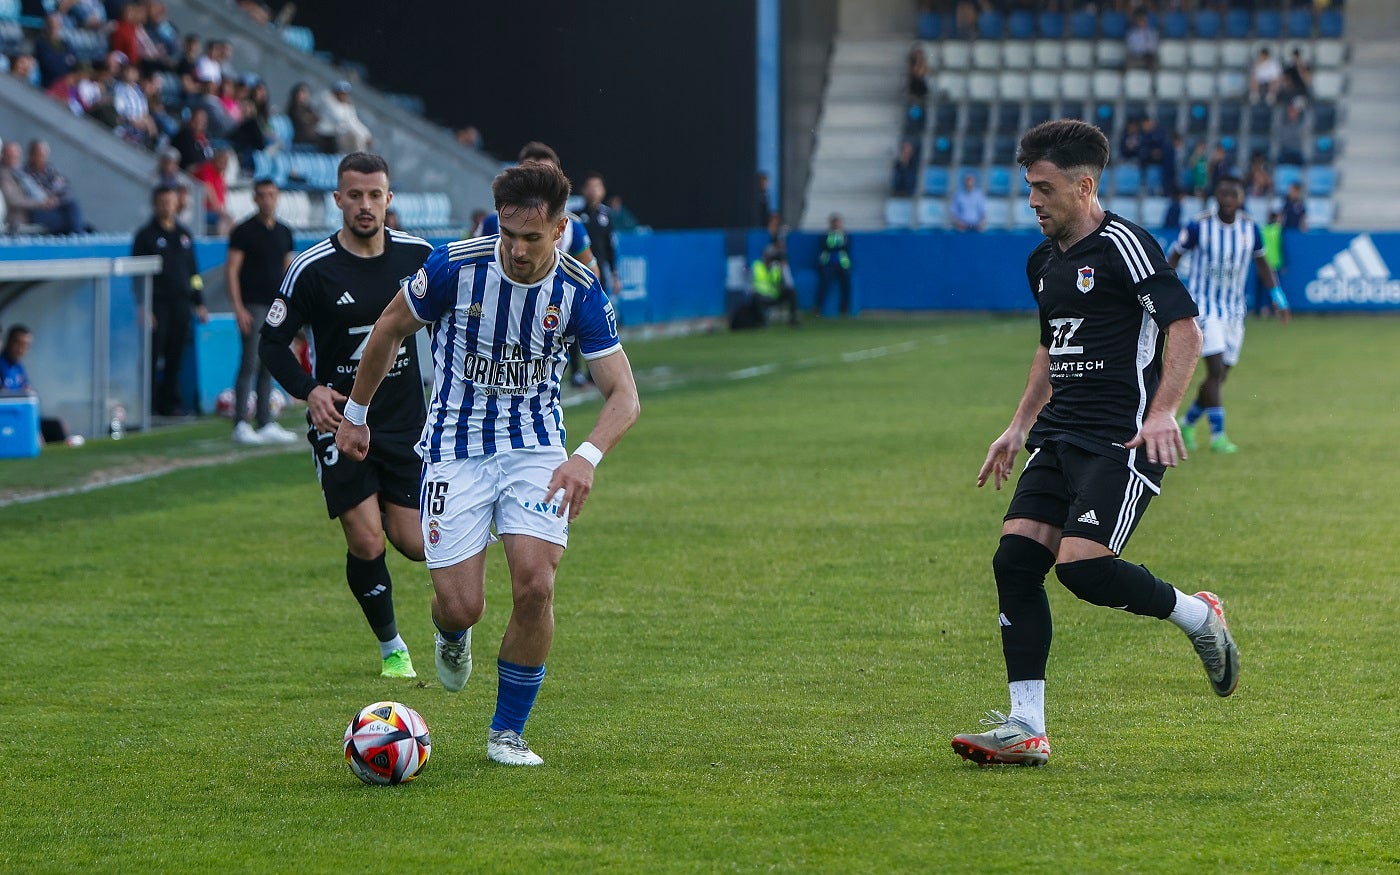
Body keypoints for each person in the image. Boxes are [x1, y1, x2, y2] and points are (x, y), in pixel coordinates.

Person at [334, 160, 640, 767]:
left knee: (535, 584)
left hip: (535, 450)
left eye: (532, 237)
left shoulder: (579, 291)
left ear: (559, 229)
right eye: (508, 234)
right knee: (462, 604)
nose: (517, 249)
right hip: (455, 447)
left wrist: (586, 456)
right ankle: (452, 633)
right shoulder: (456, 266)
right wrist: (357, 413)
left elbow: (624, 395)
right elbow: (390, 328)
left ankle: (507, 733)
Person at [954, 119, 1237, 768]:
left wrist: (1165, 410)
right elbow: (1051, 349)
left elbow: (1185, 329)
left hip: (1123, 436)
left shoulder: (1126, 244)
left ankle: (1199, 615)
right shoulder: (1043, 261)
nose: (1032, 201)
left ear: (1083, 186)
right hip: (1057, 436)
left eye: (1043, 188)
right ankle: (1027, 726)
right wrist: (1019, 424)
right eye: (1028, 188)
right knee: (1016, 561)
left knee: (1081, 566)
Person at [258, 152, 434, 680]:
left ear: (389, 199)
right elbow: (272, 342)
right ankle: (392, 649)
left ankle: (382, 502)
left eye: (374, 195)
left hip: (405, 423)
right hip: (339, 423)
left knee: (416, 545)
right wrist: (309, 390)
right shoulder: (311, 269)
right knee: (366, 540)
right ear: (337, 199)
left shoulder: (419, 257)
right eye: (354, 195)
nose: (364, 205)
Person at [1169, 176, 1288, 455]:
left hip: (1234, 310)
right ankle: (1218, 435)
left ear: (1241, 198)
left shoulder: (1250, 228)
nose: (1227, 199)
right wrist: (1167, 293)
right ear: (1216, 196)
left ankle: (1186, 423)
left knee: (1220, 377)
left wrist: (1278, 297)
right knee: (1216, 370)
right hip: (1204, 307)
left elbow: (1262, 264)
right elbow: (1173, 257)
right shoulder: (1199, 225)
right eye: (1223, 193)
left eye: (1233, 194)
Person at [473, 143, 599, 387]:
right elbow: (469, 267)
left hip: (546, 323)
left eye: (547, 175)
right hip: (494, 321)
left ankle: (575, 372)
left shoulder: (572, 226)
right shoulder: (492, 223)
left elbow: (591, 276)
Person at [227, 178, 296, 446]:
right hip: (253, 305)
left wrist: (291, 306)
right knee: (249, 362)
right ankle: (241, 422)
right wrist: (238, 307)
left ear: (277, 197)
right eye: (262, 195)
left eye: (271, 194)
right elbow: (232, 269)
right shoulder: (244, 231)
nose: (267, 200)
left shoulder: (283, 231)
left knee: (269, 363)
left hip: (276, 307)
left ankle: (265, 420)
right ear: (255, 199)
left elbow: (288, 270)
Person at [132, 185, 207, 416]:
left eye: (171, 202)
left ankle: (170, 402)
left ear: (177, 204)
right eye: (162, 202)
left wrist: (199, 301)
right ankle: (148, 402)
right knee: (154, 354)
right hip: (158, 304)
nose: (167, 207)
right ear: (155, 204)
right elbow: (137, 275)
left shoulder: (184, 235)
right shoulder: (146, 236)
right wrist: (143, 305)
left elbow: (194, 273)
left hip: (182, 303)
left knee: (176, 353)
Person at [0, 325, 70, 444]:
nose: (22, 349)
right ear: (9, 342)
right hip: (8, 420)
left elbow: (27, 395)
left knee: (56, 427)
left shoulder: (18, 368)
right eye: (19, 344)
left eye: (26, 346)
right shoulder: (2, 365)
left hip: (21, 418)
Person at [0, 141, 82, 235]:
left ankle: (79, 232)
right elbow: (14, 200)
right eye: (11, 155)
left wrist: (54, 199)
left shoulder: (20, 172)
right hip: (27, 212)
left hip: (43, 205)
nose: (15, 158)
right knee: (68, 222)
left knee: (72, 205)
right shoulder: (5, 174)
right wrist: (41, 203)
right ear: (3, 156)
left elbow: (63, 185)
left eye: (17, 155)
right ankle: (79, 234)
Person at [317, 80, 373, 154]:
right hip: (328, 136)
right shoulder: (328, 102)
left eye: (345, 94)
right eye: (341, 93)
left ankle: (360, 159)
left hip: (340, 136)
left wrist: (367, 134)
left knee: (360, 138)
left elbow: (355, 122)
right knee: (356, 137)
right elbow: (342, 121)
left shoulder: (347, 106)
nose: (344, 96)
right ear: (335, 93)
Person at [751, 242, 800, 327]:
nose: (769, 259)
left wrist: (782, 269)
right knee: (756, 297)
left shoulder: (776, 267)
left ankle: (793, 320)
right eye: (768, 256)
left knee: (791, 291)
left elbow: (782, 283)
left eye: (771, 257)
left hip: (774, 295)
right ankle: (761, 322)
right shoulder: (757, 265)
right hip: (761, 295)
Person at [816, 213, 852, 317]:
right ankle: (819, 307)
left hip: (842, 264)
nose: (837, 224)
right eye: (836, 222)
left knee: (846, 285)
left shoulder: (845, 235)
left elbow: (845, 247)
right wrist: (836, 245)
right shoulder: (826, 235)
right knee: (824, 285)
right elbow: (826, 246)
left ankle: (844, 308)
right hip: (828, 263)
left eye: (839, 222)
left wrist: (836, 246)